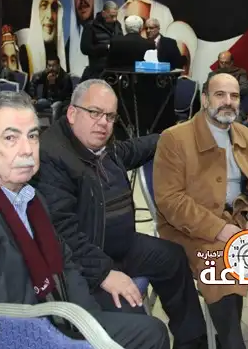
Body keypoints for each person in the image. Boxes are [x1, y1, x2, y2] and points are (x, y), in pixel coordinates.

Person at [0, 92, 170, 349]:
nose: (27, 150)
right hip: (20, 336)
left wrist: (88, 321)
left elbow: (65, 263)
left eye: (32, 136)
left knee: (145, 325)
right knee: (150, 334)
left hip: (53, 313)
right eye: (10, 138)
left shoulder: (29, 196)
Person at [34, 79, 208, 349]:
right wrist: (104, 273)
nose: (103, 123)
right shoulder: (52, 157)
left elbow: (133, 150)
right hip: (88, 258)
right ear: (72, 113)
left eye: (110, 116)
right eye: (95, 112)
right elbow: (61, 231)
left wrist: (170, 136)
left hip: (124, 246)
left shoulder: (103, 145)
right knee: (136, 321)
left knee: (173, 257)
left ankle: (193, 343)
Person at [153, 73, 248, 349]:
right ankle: (231, 342)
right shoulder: (174, 138)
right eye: (220, 95)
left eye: (234, 96)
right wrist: (221, 229)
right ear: (204, 99)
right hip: (192, 227)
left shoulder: (244, 134)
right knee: (225, 265)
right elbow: (170, 200)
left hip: (242, 217)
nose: (228, 102)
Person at [81, 1, 123, 80]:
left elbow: (121, 40)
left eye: (116, 16)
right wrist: (105, 47)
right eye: (112, 16)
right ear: (103, 13)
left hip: (115, 71)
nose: (114, 19)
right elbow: (85, 49)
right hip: (97, 71)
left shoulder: (117, 25)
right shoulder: (90, 26)